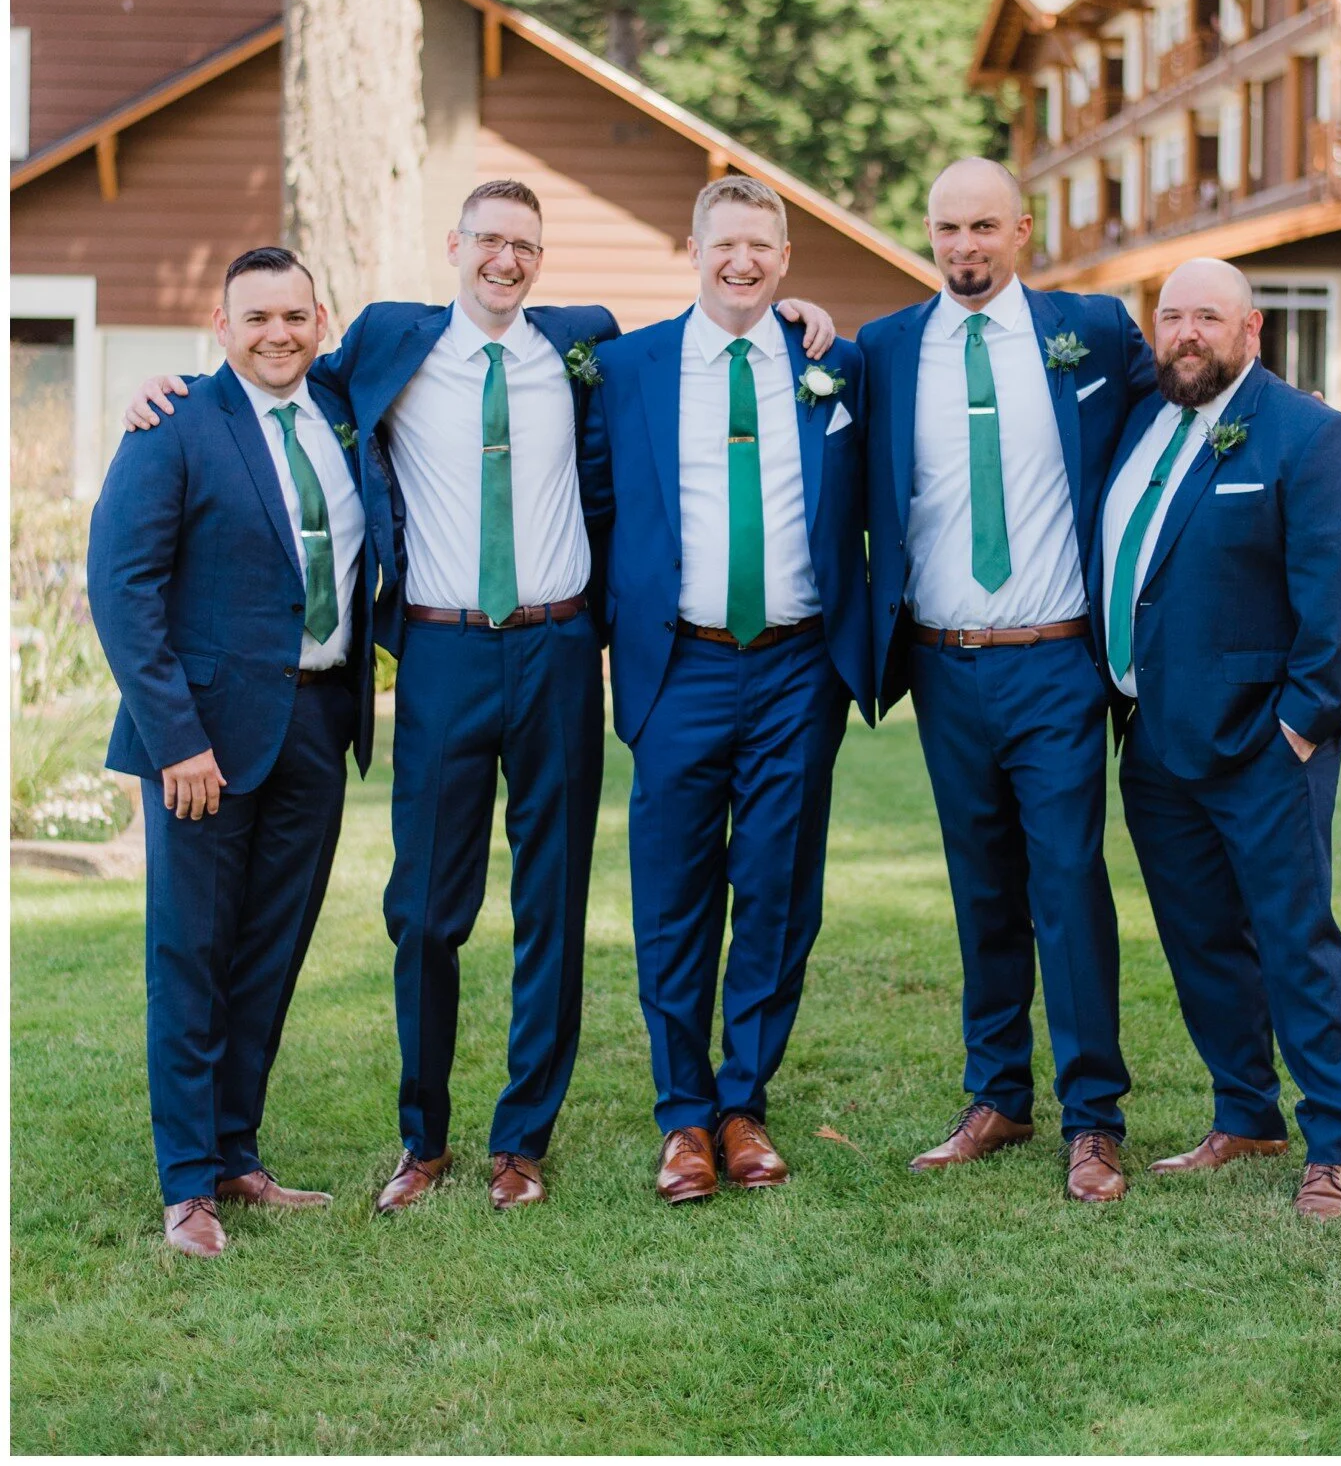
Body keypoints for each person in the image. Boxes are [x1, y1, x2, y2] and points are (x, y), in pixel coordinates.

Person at [125, 180, 835, 1214]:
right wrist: (181, 384)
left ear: (541, 258)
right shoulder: (387, 342)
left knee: (552, 904)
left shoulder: (584, 345)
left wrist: (798, 313)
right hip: (441, 653)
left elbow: (715, 338)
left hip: (558, 651)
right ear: (455, 245)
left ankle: (522, 1142)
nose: (506, 260)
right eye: (490, 241)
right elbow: (275, 370)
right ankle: (423, 1138)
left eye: (525, 245)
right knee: (424, 912)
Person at [859, 157, 1157, 1202]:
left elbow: (1184, 405)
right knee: (980, 886)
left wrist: (1289, 411)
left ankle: (1094, 1117)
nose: (964, 246)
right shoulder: (886, 350)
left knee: (1067, 884)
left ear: (1022, 230)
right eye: (947, 227)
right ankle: (998, 1093)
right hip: (945, 665)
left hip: (1056, 661)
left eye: (984, 226)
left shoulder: (1095, 332)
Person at [589, 176, 872, 1202]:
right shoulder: (627, 368)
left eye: (762, 246)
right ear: (694, 251)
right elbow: (591, 502)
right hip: (680, 664)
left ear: (785, 259)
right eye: (726, 244)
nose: (743, 262)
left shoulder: (836, 364)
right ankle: (683, 1115)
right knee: (672, 893)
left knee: (779, 889)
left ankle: (743, 1102)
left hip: (799, 665)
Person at [90, 248, 374, 1257]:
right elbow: (121, 587)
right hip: (202, 741)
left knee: (270, 951)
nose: (277, 334)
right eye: (256, 317)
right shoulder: (174, 422)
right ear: (221, 326)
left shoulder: (342, 410)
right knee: (192, 957)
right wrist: (177, 741)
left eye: (295, 315)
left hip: (318, 723)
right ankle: (187, 1186)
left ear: (322, 320)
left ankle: (235, 1154)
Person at [1094, 256, 1341, 1219]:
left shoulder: (1306, 432)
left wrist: (1300, 726)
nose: (1186, 333)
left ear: (1251, 330)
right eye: (1172, 316)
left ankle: (1330, 1144)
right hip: (1156, 743)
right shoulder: (1141, 421)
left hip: (1265, 744)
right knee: (1201, 940)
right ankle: (1246, 1114)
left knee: (1295, 941)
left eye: (1208, 318)